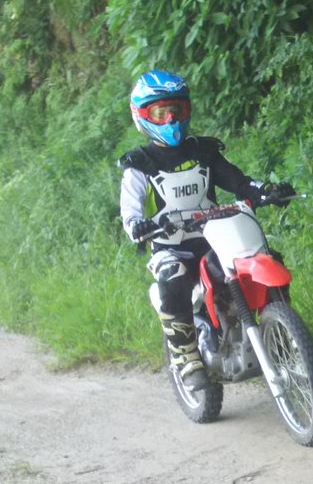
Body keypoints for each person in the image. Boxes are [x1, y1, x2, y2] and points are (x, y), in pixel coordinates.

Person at [118, 69, 295, 391]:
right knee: (172, 278)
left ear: (187, 110)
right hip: (171, 245)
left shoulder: (204, 152)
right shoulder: (138, 165)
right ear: (142, 116)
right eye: (160, 112)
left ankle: (283, 332)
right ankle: (186, 357)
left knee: (268, 258)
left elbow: (238, 182)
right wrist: (139, 226)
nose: (170, 118)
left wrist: (264, 191)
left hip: (215, 236)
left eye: (177, 110)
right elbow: (129, 212)